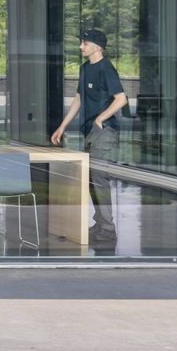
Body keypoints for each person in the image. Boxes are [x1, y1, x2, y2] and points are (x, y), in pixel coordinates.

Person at [51, 26, 127, 249]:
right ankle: (100, 223)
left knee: (99, 180)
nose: (80, 46)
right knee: (92, 181)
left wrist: (100, 118)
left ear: (97, 47)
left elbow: (121, 98)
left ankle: (108, 229)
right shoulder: (85, 68)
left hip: (104, 133)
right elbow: (78, 99)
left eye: (84, 43)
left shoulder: (106, 69)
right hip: (90, 133)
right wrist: (62, 127)